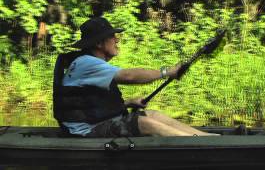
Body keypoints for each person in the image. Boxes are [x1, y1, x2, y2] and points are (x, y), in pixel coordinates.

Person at [54, 17, 218, 138]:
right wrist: (166, 72)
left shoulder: (87, 62)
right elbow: (129, 76)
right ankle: (197, 145)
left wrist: (127, 103)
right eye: (112, 37)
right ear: (98, 43)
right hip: (86, 132)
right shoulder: (87, 62)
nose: (116, 40)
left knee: (152, 114)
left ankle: (209, 139)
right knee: (142, 123)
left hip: (94, 122)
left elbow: (90, 103)